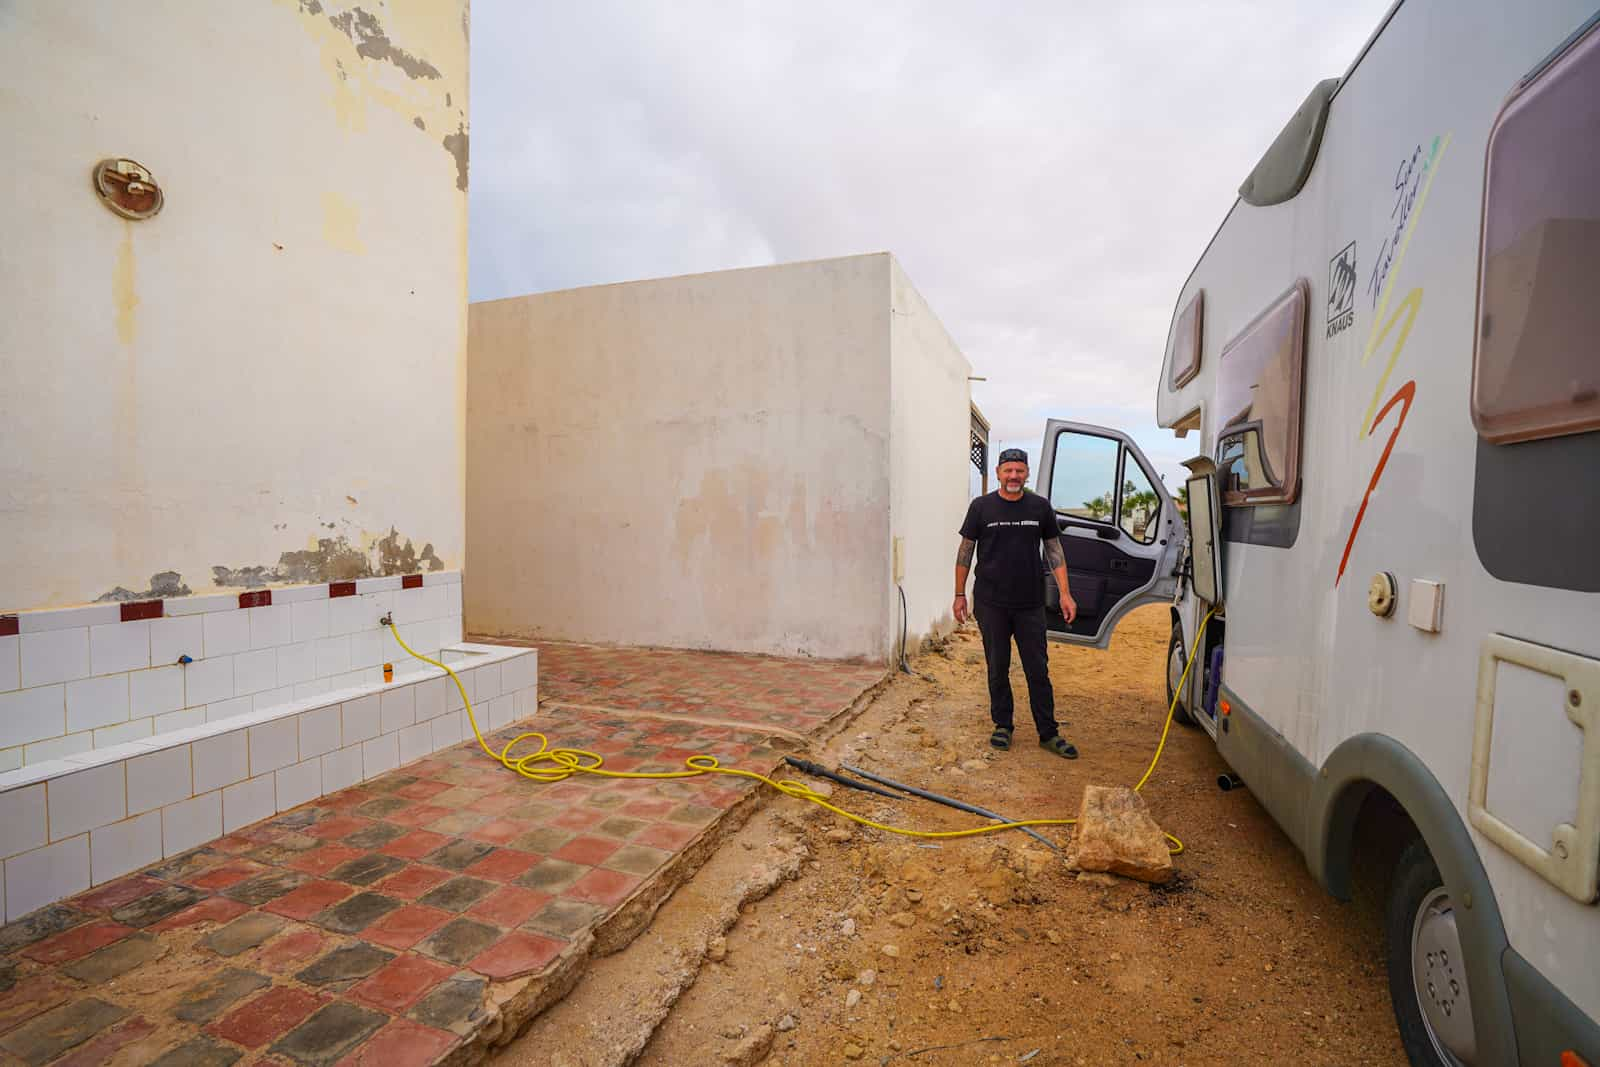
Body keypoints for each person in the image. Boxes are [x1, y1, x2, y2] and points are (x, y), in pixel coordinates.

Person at [954, 448, 1079, 758]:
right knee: (997, 666)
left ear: (1026, 473)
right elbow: (965, 552)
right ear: (998, 473)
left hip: (1030, 603)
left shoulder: (1040, 507)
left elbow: (1054, 551)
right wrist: (959, 594)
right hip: (991, 602)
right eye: (1008, 470)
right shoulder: (981, 507)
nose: (1013, 476)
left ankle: (1048, 733)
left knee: (1038, 669)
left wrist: (1065, 593)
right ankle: (1003, 726)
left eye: (1019, 471)